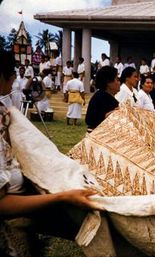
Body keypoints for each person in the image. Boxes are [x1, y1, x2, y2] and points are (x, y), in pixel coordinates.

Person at [0, 49, 99, 256]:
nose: (13, 79)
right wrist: (62, 197)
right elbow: (2, 204)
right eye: (11, 74)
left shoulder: (5, 114)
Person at [85, 66, 120, 131]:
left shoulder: (103, 96)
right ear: (109, 82)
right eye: (117, 79)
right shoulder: (102, 97)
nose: (119, 82)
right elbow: (93, 120)